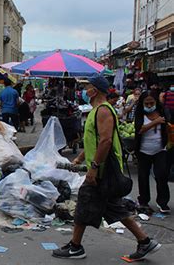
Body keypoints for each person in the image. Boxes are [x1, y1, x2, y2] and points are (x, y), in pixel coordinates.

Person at [52, 75, 161, 260]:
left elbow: (106, 141)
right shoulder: (97, 111)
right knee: (113, 208)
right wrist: (79, 158)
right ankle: (145, 242)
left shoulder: (103, 110)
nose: (86, 91)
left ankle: (75, 247)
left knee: (84, 206)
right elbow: (94, 141)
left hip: (103, 171)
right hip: (101, 170)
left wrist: (93, 168)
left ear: (96, 90)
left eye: (88, 88)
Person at [134, 91, 170, 214]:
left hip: (160, 149)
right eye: (147, 103)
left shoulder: (162, 111)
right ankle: (143, 201)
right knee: (143, 177)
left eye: (151, 103)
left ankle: (163, 203)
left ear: (156, 102)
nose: (149, 106)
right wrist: (155, 122)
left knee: (161, 175)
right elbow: (140, 130)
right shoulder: (139, 114)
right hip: (143, 150)